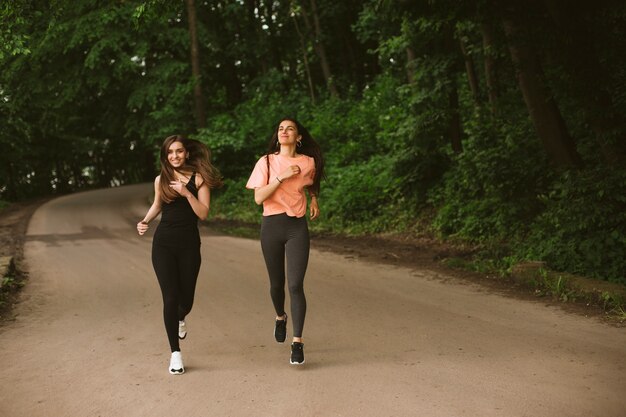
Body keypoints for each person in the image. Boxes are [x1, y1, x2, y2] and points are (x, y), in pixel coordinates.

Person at [137, 135, 222, 375]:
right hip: (163, 244)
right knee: (170, 297)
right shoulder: (160, 179)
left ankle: (181, 317)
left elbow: (203, 214)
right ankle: (175, 354)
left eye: (179, 151)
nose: (175, 156)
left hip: (189, 245)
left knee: (186, 301)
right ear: (165, 156)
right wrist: (145, 220)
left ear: (186, 153)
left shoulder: (199, 178)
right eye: (170, 152)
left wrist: (187, 193)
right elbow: (157, 205)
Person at [245, 117, 324, 365]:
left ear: (298, 137)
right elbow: (259, 198)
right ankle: (280, 316)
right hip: (271, 225)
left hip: (296, 227)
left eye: (290, 128)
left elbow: (312, 181)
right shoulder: (266, 161)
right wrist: (282, 176)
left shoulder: (308, 162)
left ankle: (297, 342)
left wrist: (314, 198)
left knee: (295, 285)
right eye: (280, 128)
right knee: (277, 285)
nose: (284, 131)